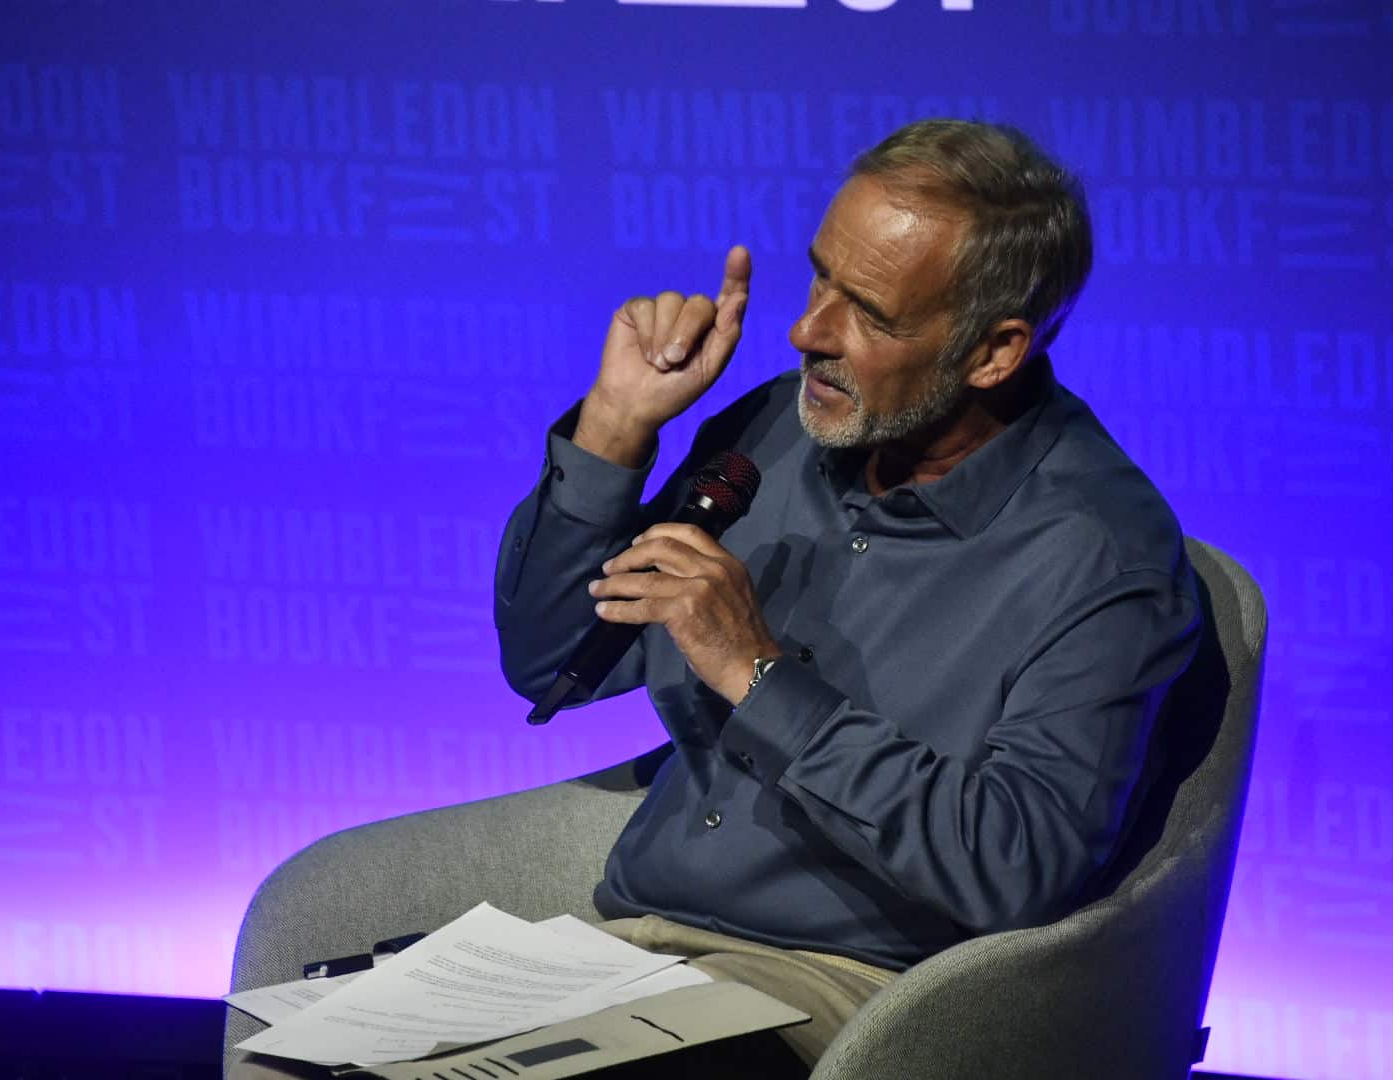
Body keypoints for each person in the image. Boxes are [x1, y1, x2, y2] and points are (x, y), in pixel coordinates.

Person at [492, 118, 1201, 1075]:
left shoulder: (1099, 557)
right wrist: (615, 430)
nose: (807, 331)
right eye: (820, 277)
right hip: (632, 956)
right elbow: (550, 663)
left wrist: (758, 675)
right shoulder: (779, 436)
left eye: (869, 312)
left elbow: (1016, 865)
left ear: (994, 351)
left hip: (850, 1003)